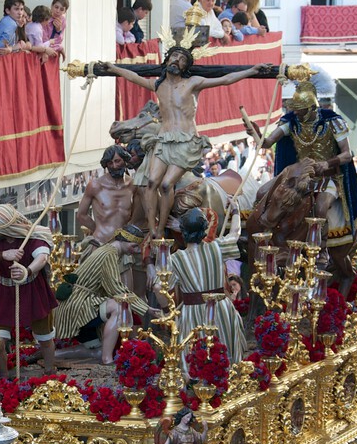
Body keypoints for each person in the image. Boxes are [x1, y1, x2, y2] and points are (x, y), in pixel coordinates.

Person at [106, 47, 272, 238]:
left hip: (186, 141)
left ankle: (160, 230)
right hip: (164, 139)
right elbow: (134, 77)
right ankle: (153, 230)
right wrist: (113, 68)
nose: (177, 60)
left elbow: (225, 80)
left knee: (166, 184)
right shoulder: (159, 85)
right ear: (167, 60)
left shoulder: (193, 83)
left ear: (186, 66)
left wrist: (252, 71)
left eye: (182, 59)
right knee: (151, 182)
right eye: (174, 56)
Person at [254, 77, 357, 268]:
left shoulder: (332, 122)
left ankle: (319, 249)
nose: (294, 112)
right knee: (264, 193)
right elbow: (267, 143)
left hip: (328, 179)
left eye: (299, 109)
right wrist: (255, 134)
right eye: (294, 108)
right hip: (299, 178)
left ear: (311, 108)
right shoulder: (290, 123)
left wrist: (327, 164)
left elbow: (347, 155)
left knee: (321, 206)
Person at [0, 204, 60, 373]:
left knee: (45, 337)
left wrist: (26, 270)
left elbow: (42, 257)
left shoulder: (31, 235)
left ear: (8, 227)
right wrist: (3, 255)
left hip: (33, 290)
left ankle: (50, 372)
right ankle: (3, 380)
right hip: (2, 293)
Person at [160, 208, 247, 363]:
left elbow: (161, 288)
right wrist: (235, 212)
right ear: (204, 229)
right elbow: (235, 233)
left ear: (182, 231)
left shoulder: (175, 259)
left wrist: (166, 311)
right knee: (226, 355)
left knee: (196, 359)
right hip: (221, 308)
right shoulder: (217, 247)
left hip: (192, 314)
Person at [54, 226, 149, 364]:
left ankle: (52, 354)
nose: (136, 251)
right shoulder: (109, 253)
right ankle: (107, 360)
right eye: (134, 246)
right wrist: (146, 309)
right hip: (78, 305)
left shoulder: (108, 250)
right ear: (123, 240)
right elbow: (116, 289)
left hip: (78, 302)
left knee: (97, 351)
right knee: (119, 306)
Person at [75, 145, 138, 252]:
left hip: (123, 245)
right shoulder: (95, 185)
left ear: (125, 160)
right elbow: (81, 215)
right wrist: (98, 230)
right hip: (100, 243)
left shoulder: (132, 185)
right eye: (110, 163)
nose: (114, 166)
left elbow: (135, 214)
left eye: (117, 161)